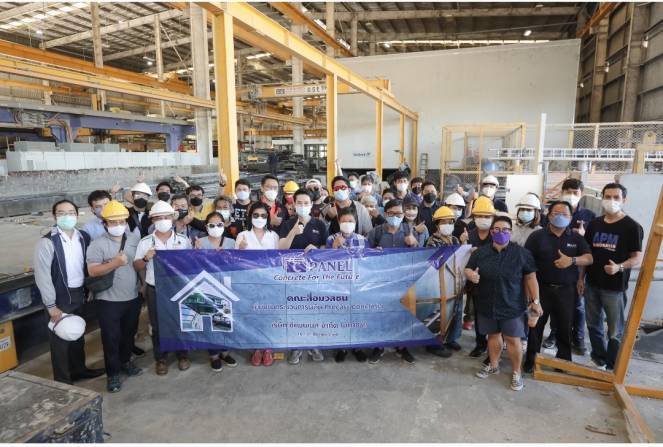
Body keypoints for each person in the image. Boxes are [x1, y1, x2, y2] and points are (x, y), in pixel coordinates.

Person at [465, 215, 540, 391]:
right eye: (497, 229)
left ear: (511, 232)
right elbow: (468, 268)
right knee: (492, 335)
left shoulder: (521, 253)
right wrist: (470, 274)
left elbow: (531, 277)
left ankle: (516, 372)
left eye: (505, 229)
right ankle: (493, 365)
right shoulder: (480, 253)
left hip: (512, 305)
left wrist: (536, 301)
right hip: (487, 302)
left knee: (513, 339)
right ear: (491, 232)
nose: (501, 232)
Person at [33, 199, 104, 384]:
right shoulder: (47, 242)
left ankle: (79, 370)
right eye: (61, 213)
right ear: (54, 216)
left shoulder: (83, 237)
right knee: (60, 340)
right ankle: (63, 381)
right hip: (59, 297)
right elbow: (42, 276)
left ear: (77, 215)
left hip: (79, 293)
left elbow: (88, 264)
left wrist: (89, 288)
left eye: (71, 213)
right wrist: (51, 305)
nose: (67, 216)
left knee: (77, 335)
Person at [523, 201, 593, 373]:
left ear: (571, 217)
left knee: (564, 327)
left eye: (565, 214)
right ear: (549, 215)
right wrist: (528, 293)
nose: (560, 217)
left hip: (567, 291)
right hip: (541, 289)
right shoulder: (537, 237)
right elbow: (526, 264)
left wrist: (572, 260)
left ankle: (563, 362)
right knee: (536, 326)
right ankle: (531, 360)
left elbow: (589, 258)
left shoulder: (576, 238)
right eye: (556, 213)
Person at [583, 183, 643, 370]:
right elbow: (586, 254)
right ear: (602, 198)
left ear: (624, 200)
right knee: (593, 324)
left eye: (616, 197)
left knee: (615, 329)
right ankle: (598, 358)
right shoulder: (594, 224)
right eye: (607, 197)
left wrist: (619, 267)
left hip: (614, 288)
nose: (611, 201)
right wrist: (580, 279)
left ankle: (611, 365)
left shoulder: (632, 227)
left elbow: (636, 258)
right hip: (592, 283)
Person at [86, 200, 143, 392]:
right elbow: (93, 271)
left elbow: (138, 265)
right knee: (111, 338)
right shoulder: (97, 244)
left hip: (132, 297)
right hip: (108, 301)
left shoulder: (134, 239)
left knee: (128, 334)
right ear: (105, 224)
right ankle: (113, 374)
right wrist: (115, 263)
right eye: (113, 222)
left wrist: (143, 284)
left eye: (121, 221)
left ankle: (125, 362)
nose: (118, 225)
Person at [133, 200, 192, 376]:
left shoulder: (183, 240)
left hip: (178, 288)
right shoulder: (145, 242)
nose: (163, 220)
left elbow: (191, 264)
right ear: (152, 220)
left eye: (166, 217)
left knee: (180, 321)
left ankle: (182, 355)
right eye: (158, 218)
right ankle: (161, 358)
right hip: (155, 288)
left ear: (173, 218)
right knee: (157, 324)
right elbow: (136, 266)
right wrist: (146, 258)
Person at [542, 178, 596, 352]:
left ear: (581, 194)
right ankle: (554, 334)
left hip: (578, 268)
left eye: (575, 192)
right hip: (555, 266)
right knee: (555, 305)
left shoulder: (589, 216)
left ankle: (578, 338)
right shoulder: (553, 212)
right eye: (568, 192)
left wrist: (583, 236)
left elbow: (591, 249)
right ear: (562, 192)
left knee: (578, 306)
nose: (571, 195)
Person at [366, 199, 420, 365]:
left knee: (404, 315)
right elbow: (365, 257)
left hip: (404, 281)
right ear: (385, 213)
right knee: (381, 314)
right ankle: (379, 346)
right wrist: (373, 253)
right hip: (381, 282)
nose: (395, 217)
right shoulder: (375, 232)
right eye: (392, 213)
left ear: (404, 215)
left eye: (399, 214)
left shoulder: (409, 230)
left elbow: (420, 258)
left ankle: (402, 347)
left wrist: (414, 243)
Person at [236, 202, 280, 367]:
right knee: (252, 315)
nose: (259, 218)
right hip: (249, 282)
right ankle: (256, 348)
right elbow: (234, 262)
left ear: (268, 217)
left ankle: (267, 348)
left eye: (263, 215)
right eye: (256, 215)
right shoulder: (242, 235)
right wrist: (240, 249)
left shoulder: (273, 236)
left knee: (268, 314)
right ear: (250, 217)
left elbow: (278, 259)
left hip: (269, 282)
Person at [194, 211, 238, 372]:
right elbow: (193, 265)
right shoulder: (200, 242)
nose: (216, 227)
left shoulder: (231, 242)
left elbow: (237, 264)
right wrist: (197, 252)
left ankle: (225, 352)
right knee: (208, 320)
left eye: (219, 224)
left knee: (225, 319)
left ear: (224, 225)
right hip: (206, 286)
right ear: (206, 227)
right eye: (212, 225)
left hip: (226, 286)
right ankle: (213, 355)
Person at [325, 208, 368, 363]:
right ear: (338, 222)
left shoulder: (363, 240)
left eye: (350, 221)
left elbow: (368, 262)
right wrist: (334, 247)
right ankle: (341, 347)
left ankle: (357, 347)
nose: (347, 223)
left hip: (357, 284)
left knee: (357, 316)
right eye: (344, 221)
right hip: (338, 284)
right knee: (341, 317)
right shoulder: (331, 238)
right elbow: (326, 262)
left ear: (355, 222)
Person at [425, 206, 463, 357]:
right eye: (444, 222)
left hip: (454, 281)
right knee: (438, 314)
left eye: (450, 222)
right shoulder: (432, 241)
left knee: (455, 311)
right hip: (438, 283)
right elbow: (433, 263)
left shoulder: (455, 239)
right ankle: (433, 343)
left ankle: (449, 338)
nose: (448, 225)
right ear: (437, 224)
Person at [464, 196, 495, 355]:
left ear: (493, 218)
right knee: (478, 313)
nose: (483, 219)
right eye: (479, 215)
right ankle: (480, 343)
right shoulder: (469, 235)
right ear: (474, 217)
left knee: (494, 315)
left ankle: (494, 346)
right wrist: (463, 245)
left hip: (493, 281)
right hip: (474, 282)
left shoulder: (496, 235)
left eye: (487, 216)